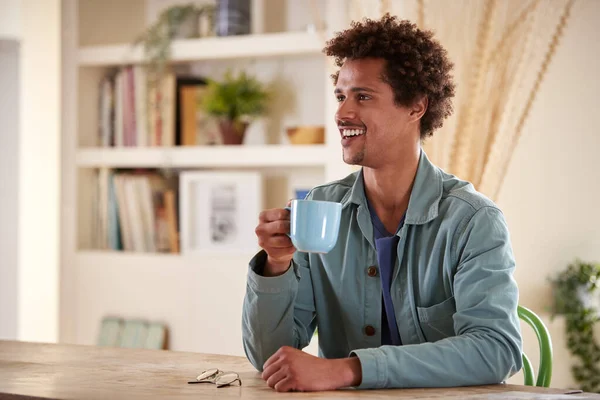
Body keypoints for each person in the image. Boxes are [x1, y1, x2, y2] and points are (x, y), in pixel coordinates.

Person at [242, 14, 523, 392]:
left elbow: (496, 350)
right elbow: (269, 359)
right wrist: (276, 266)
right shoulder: (322, 207)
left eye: (363, 96)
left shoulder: (472, 220)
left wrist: (349, 370)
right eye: (341, 96)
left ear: (416, 107)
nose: (342, 113)